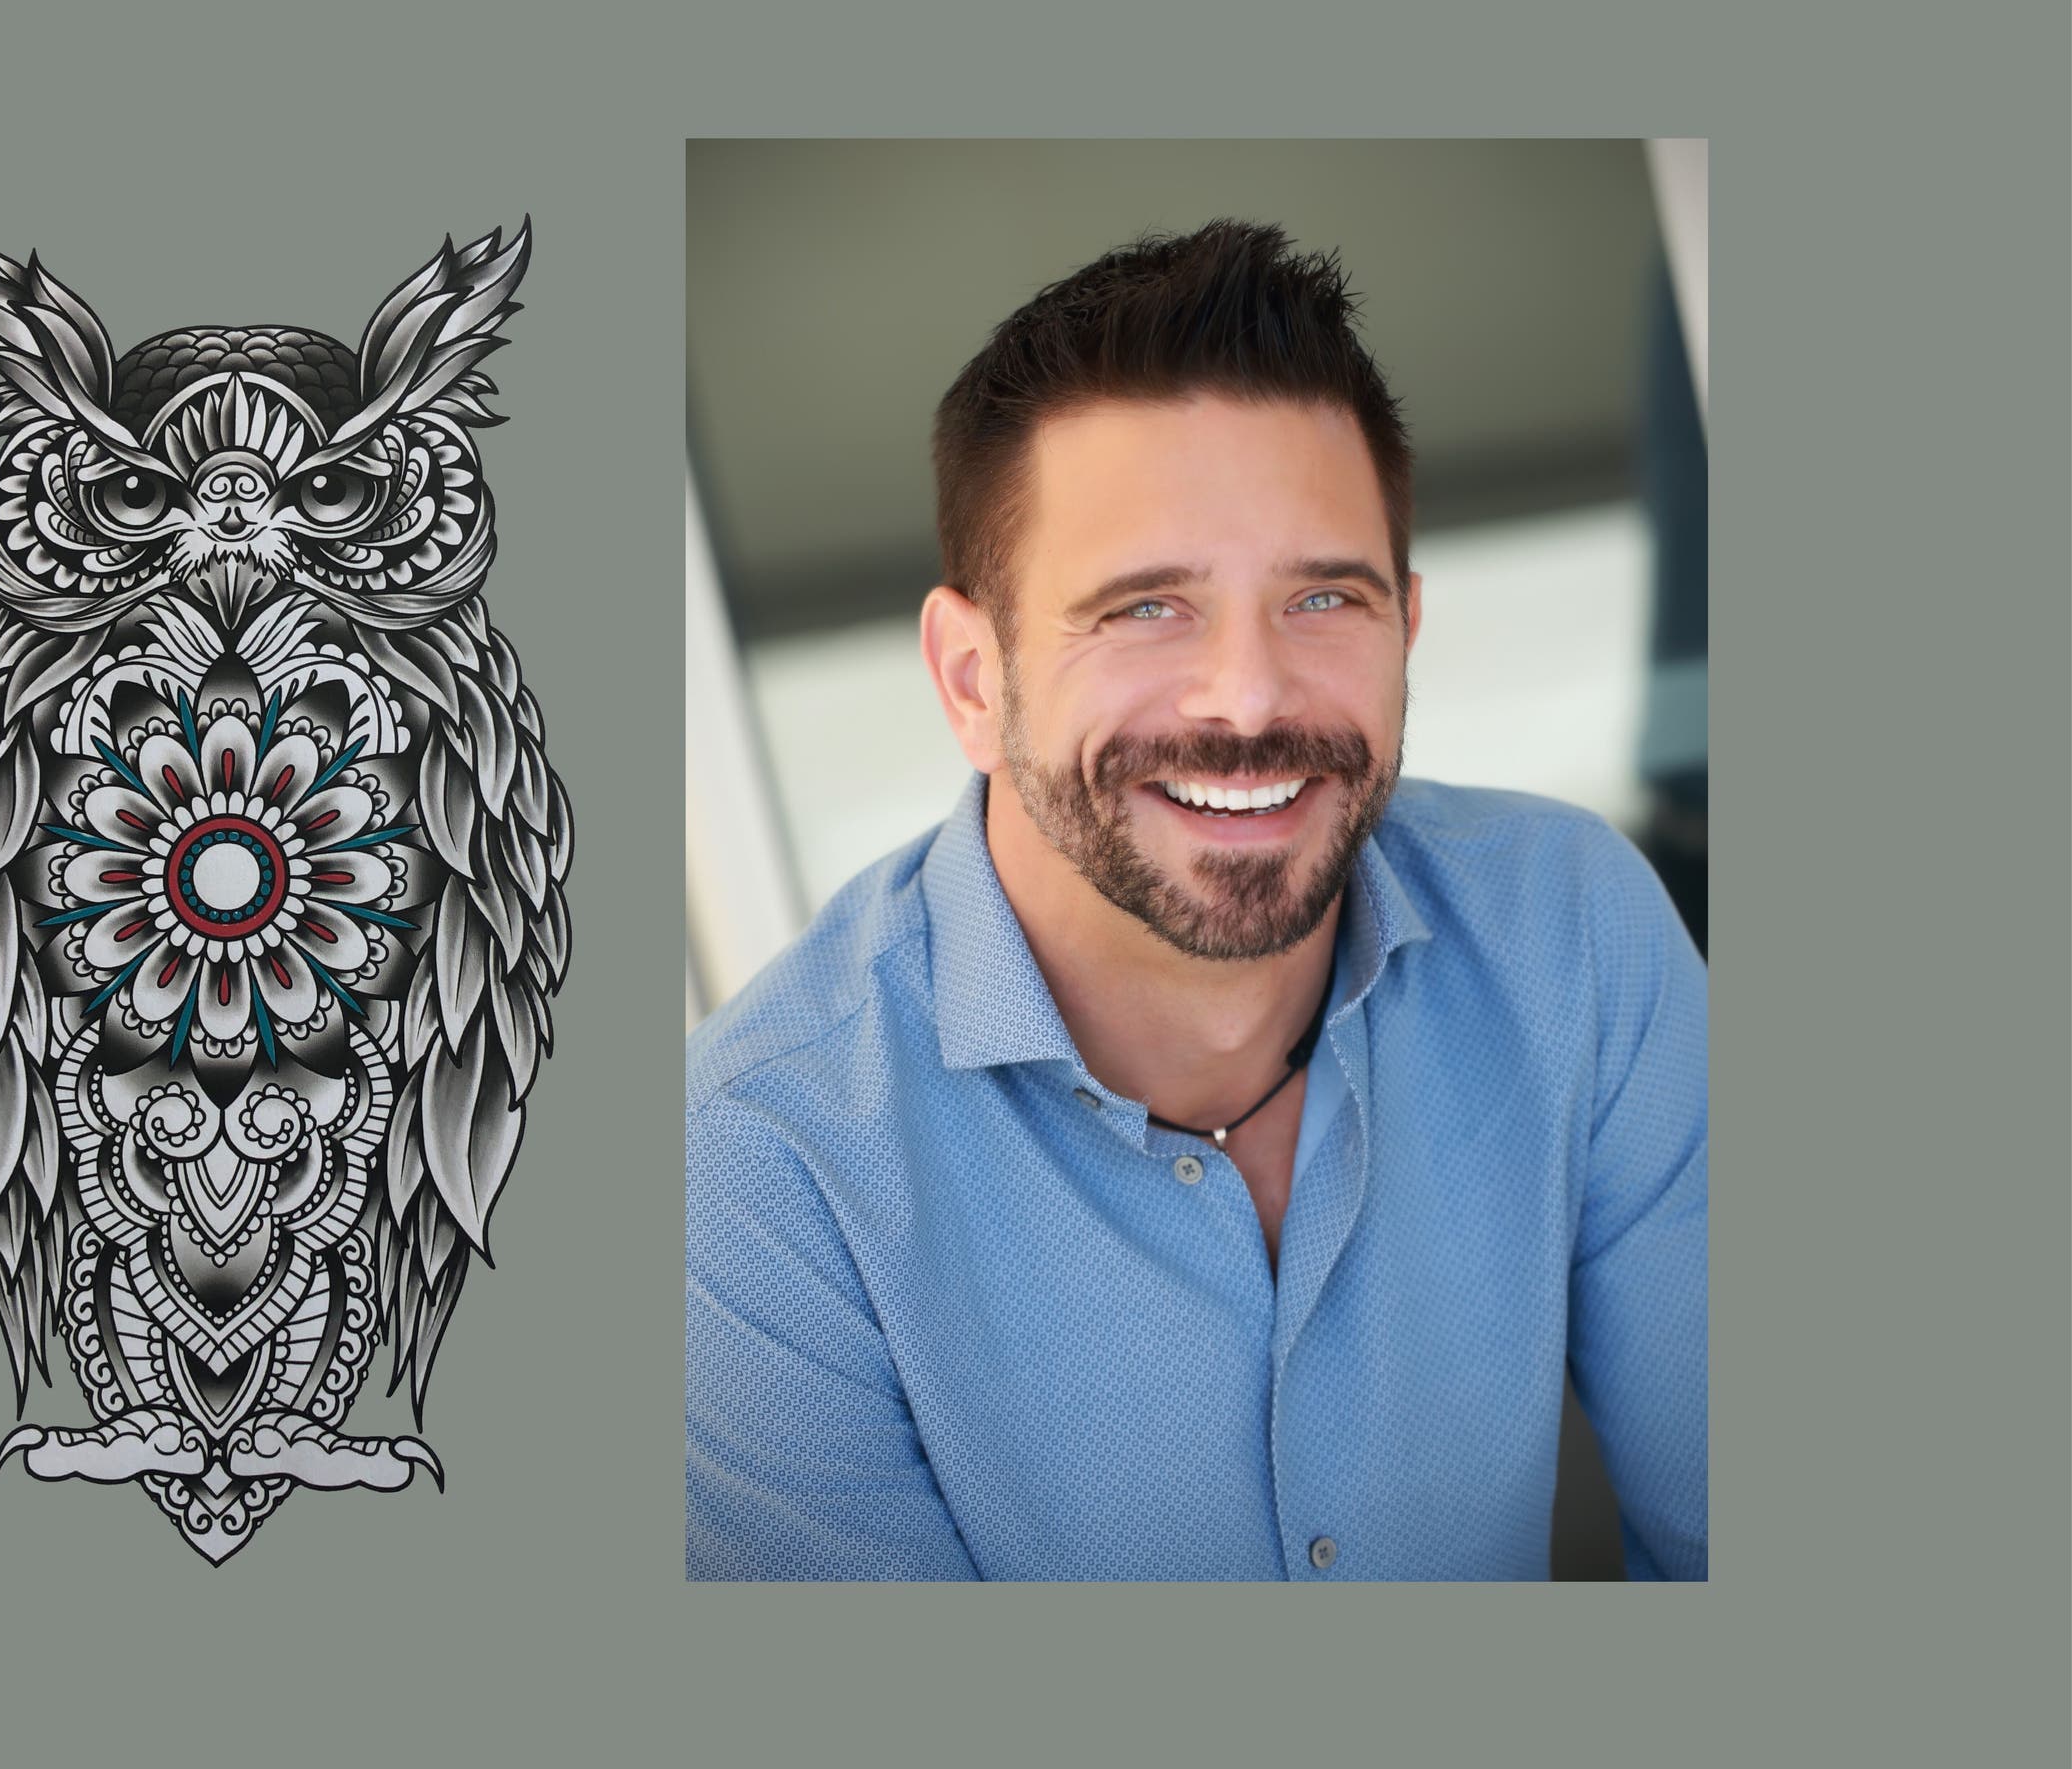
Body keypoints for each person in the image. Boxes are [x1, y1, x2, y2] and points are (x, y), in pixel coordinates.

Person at [686, 221, 1707, 1582]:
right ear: (973, 680)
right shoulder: (760, 1179)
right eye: (1145, 607)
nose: (1250, 695)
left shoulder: (1574, 935)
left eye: (1323, 596)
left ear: (1406, 626)